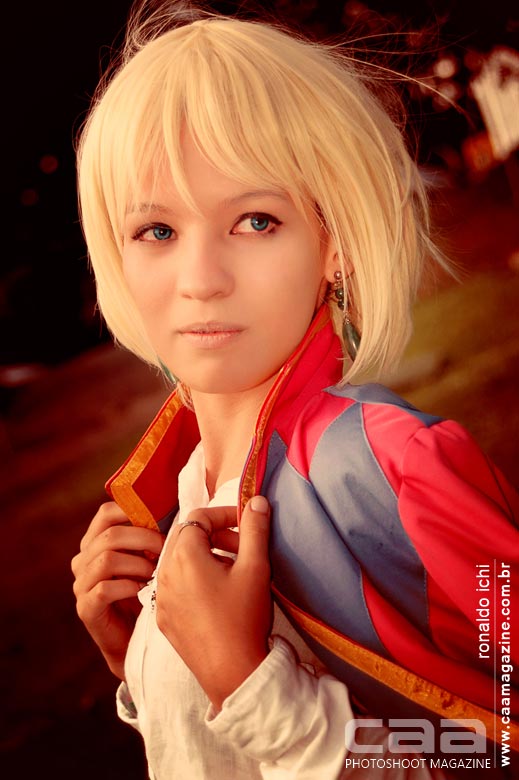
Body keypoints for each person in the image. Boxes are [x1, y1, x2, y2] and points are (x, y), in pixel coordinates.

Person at [71, 2, 518, 777]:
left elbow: (493, 746)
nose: (200, 280)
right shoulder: (164, 499)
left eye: (254, 220)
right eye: (157, 231)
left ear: (331, 242)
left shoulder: (396, 468)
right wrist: (137, 661)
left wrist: (252, 690)